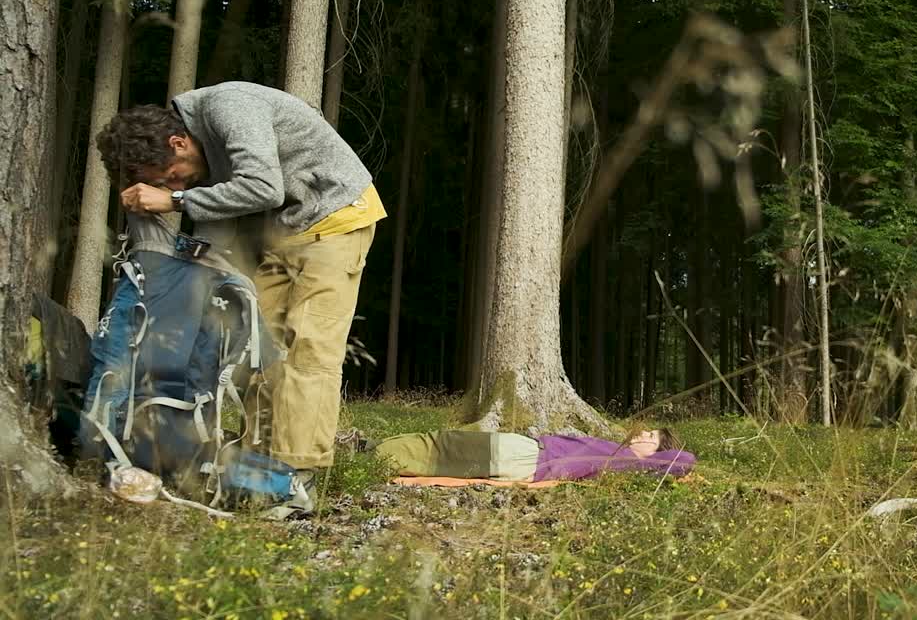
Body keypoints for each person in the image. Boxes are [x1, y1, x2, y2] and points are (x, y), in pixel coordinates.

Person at [96, 82, 385, 500]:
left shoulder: (231, 108)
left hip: (335, 214)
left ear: (178, 143)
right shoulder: (201, 152)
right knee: (258, 347)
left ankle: (297, 475)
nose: (172, 186)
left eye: (168, 178)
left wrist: (174, 200)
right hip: (282, 230)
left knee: (309, 348)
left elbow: (263, 187)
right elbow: (218, 219)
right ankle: (259, 458)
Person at [374, 428, 696, 483]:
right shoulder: (620, 455)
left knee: (444, 446)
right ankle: (371, 451)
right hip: (527, 451)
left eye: (651, 437)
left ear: (660, 453)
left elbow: (686, 461)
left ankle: (371, 455)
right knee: (444, 445)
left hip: (528, 460)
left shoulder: (632, 464)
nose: (641, 433)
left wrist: (666, 456)